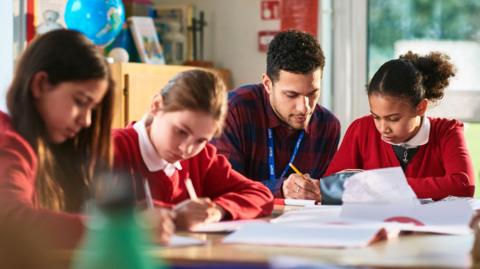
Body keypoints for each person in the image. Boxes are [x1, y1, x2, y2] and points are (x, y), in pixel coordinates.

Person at [0, 29, 174, 255]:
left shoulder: (47, 147)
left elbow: (74, 211)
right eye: (80, 101)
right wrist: (119, 231)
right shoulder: (7, 143)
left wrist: (157, 216)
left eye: (92, 109)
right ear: (40, 85)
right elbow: (11, 222)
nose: (87, 120)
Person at [112, 69, 274, 231]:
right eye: (181, 131)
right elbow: (92, 218)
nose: (186, 149)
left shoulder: (201, 158)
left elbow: (261, 195)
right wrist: (174, 216)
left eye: (201, 140)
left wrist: (216, 210)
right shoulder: (111, 148)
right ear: (157, 106)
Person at [325, 51, 475, 200]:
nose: (383, 128)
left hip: (428, 224)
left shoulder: (447, 131)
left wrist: (381, 187)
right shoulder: (361, 129)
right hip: (372, 224)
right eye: (376, 117)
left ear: (421, 107)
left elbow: (463, 186)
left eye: (393, 119)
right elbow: (330, 187)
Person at [212, 30, 340, 201]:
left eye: (312, 93)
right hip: (244, 223)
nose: (305, 108)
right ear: (267, 84)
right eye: (291, 95)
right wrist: (280, 189)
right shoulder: (232, 110)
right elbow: (223, 188)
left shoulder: (328, 126)